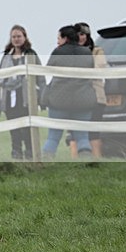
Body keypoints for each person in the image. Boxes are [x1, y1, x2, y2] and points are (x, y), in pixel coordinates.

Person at [41, 25, 97, 158]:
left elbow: (48, 69)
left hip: (59, 100)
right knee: (83, 136)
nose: (57, 41)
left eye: (59, 38)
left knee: (53, 137)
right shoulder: (86, 52)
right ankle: (87, 163)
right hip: (83, 99)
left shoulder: (58, 51)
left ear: (65, 38)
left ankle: (45, 163)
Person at [0, 25, 46, 159]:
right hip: (9, 98)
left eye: (19, 36)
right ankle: (16, 154)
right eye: (13, 37)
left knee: (27, 129)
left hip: (26, 98)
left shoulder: (31, 55)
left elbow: (40, 77)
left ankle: (30, 154)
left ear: (24, 37)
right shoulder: (6, 57)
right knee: (13, 129)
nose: (16, 39)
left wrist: (43, 99)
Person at [73, 22, 107, 158]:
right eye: (77, 35)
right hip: (75, 97)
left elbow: (99, 68)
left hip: (95, 96)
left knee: (93, 131)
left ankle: (96, 160)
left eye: (82, 34)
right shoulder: (70, 52)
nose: (80, 37)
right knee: (75, 132)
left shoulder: (97, 51)